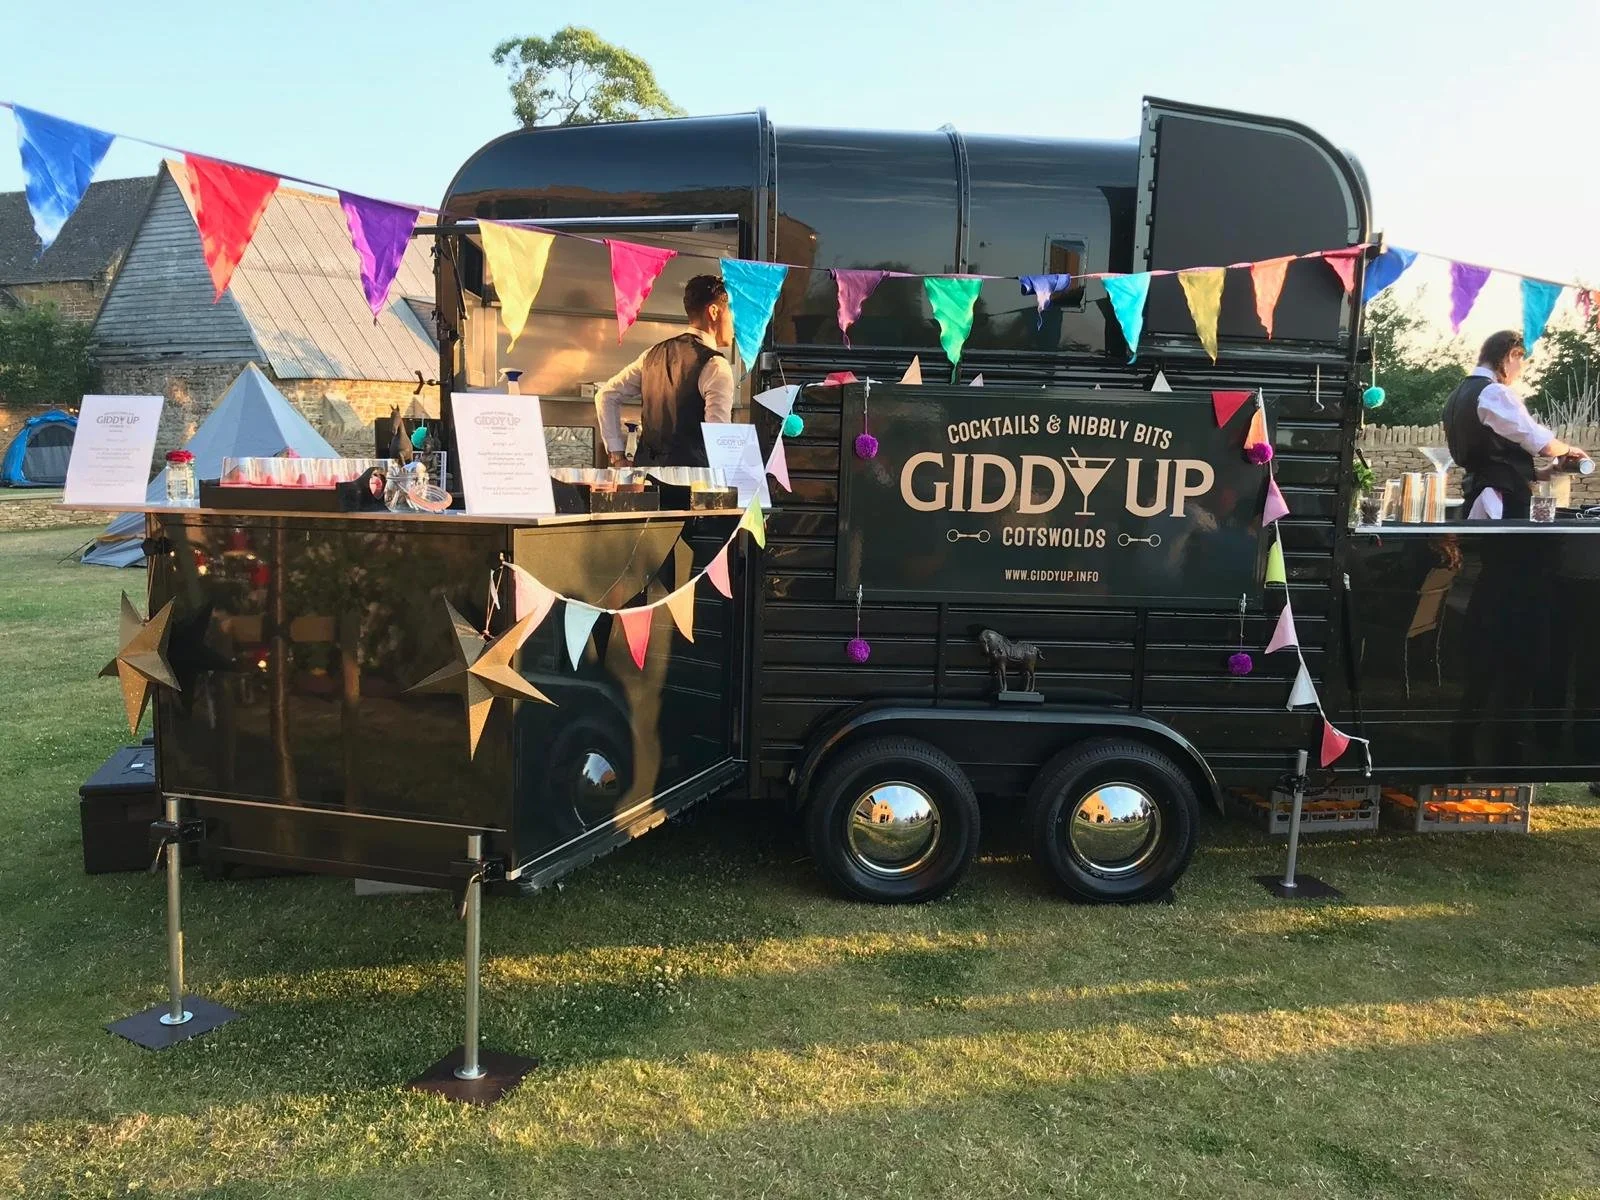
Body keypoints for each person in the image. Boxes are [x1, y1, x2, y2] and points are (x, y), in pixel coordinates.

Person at [1443, 329, 1589, 519]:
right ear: (1513, 354)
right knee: (1511, 549)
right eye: (1521, 365)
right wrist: (1568, 450)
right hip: (1502, 503)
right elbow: (1537, 440)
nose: (1518, 374)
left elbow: (1489, 460)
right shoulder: (1493, 392)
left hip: (1477, 496)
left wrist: (1537, 474)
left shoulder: (1455, 397)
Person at [594, 274, 736, 469]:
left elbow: (605, 395)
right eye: (732, 312)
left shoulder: (650, 355)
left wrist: (617, 456)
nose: (735, 324)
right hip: (692, 486)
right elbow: (719, 441)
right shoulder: (715, 365)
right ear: (714, 312)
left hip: (647, 481)